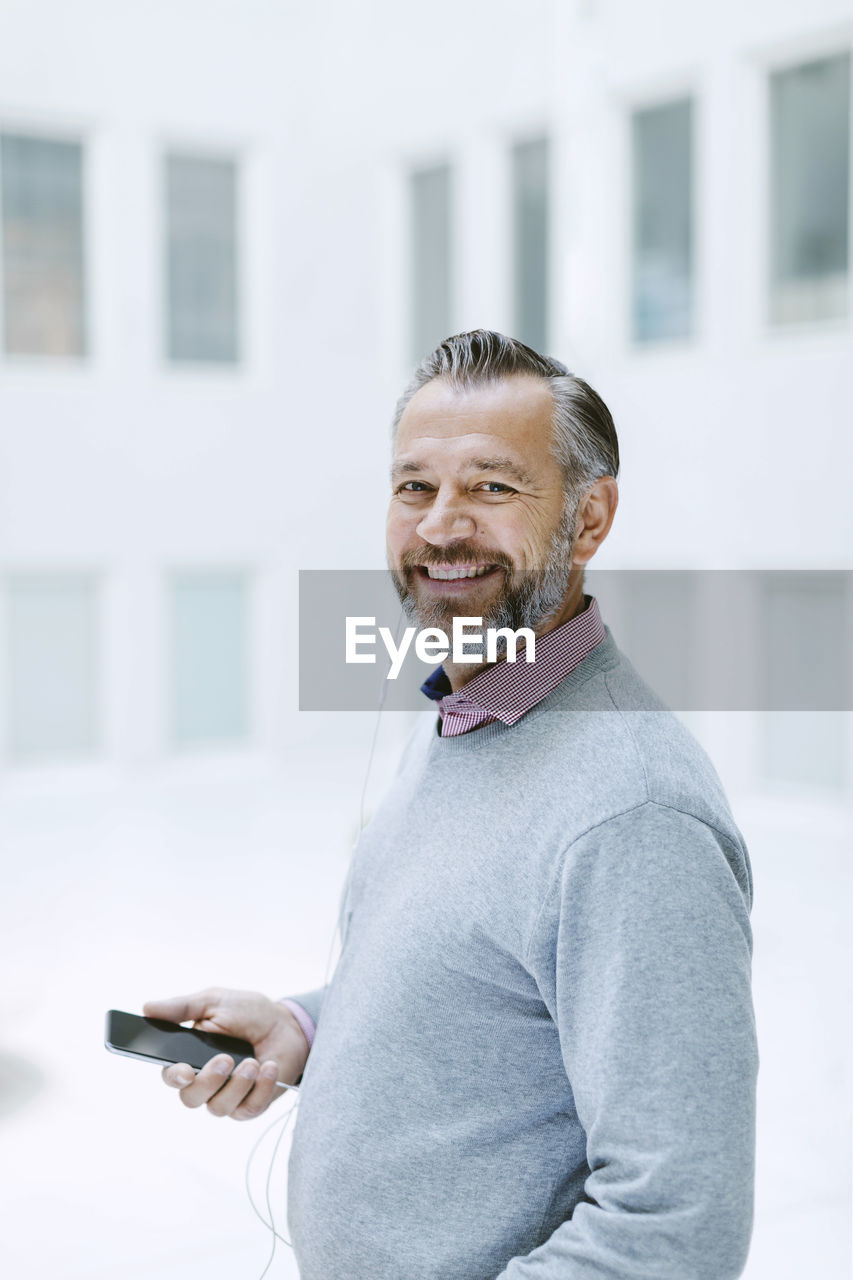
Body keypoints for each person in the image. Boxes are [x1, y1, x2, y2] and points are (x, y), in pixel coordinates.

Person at [145, 331, 758, 1280]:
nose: (438, 527)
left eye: (491, 487)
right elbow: (484, 983)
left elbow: (673, 1228)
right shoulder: (465, 708)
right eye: (413, 487)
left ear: (589, 520)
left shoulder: (633, 815)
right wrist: (304, 1027)